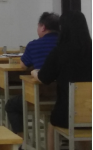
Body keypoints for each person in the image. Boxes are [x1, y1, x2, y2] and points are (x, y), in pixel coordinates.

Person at [33, 11, 92, 150]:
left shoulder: (59, 52)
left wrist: (35, 72)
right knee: (84, 120)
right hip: (89, 112)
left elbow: (44, 78)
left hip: (68, 114)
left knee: (52, 123)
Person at [6, 12, 60, 137]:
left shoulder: (34, 45)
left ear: (43, 27)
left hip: (42, 96)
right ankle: (61, 138)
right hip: (65, 97)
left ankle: (22, 140)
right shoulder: (66, 44)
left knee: (11, 105)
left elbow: (23, 65)